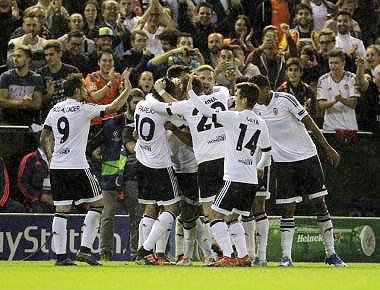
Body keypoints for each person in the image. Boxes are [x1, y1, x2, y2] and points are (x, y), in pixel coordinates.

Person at [251, 74, 346, 267]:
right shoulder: (253, 108)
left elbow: (309, 122)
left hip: (307, 157)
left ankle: (331, 254)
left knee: (319, 203)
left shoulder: (286, 99)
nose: (255, 96)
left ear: (267, 88)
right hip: (282, 163)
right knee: (288, 208)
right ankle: (286, 257)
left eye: (257, 91)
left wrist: (327, 148)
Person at [40, 73, 129, 266]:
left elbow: (45, 135)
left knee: (61, 209)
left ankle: (62, 257)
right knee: (99, 204)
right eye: (83, 87)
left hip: (57, 166)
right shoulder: (84, 109)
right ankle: (85, 250)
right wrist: (127, 90)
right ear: (78, 90)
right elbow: (113, 107)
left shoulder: (55, 108)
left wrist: (49, 157)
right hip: (78, 166)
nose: (87, 90)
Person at [188, 78, 271, 267]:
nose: (234, 99)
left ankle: (227, 255)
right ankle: (243, 256)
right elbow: (267, 153)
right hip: (251, 180)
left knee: (215, 216)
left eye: (237, 95)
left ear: (243, 100)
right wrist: (259, 167)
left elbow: (206, 112)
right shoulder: (261, 122)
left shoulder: (233, 117)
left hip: (234, 177)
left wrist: (191, 93)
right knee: (233, 218)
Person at [133, 78, 182, 265]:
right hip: (160, 164)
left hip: (142, 160)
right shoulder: (163, 110)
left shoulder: (140, 104)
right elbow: (181, 116)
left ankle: (151, 255)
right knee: (172, 207)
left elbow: (136, 133)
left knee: (150, 206)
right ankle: (146, 250)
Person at [0, 45, 43, 126]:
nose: (15, 59)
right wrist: (21, 103)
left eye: (19, 56)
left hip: (29, 119)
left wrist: (29, 103)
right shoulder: (5, 76)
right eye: (14, 56)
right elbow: (1, 101)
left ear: (28, 59)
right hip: (8, 119)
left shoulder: (36, 78)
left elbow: (38, 104)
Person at [317, 48, 359, 131]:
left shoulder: (352, 78)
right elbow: (321, 105)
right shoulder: (322, 80)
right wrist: (334, 101)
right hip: (330, 127)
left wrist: (341, 99)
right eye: (331, 63)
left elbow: (353, 103)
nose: (333, 66)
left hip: (349, 128)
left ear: (343, 63)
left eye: (336, 63)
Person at [37, 40, 79, 123]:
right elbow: (38, 103)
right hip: (48, 116)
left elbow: (80, 96)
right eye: (46, 55)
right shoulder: (40, 74)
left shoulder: (72, 71)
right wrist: (49, 94)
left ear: (60, 53)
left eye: (51, 54)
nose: (48, 58)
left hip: (69, 114)